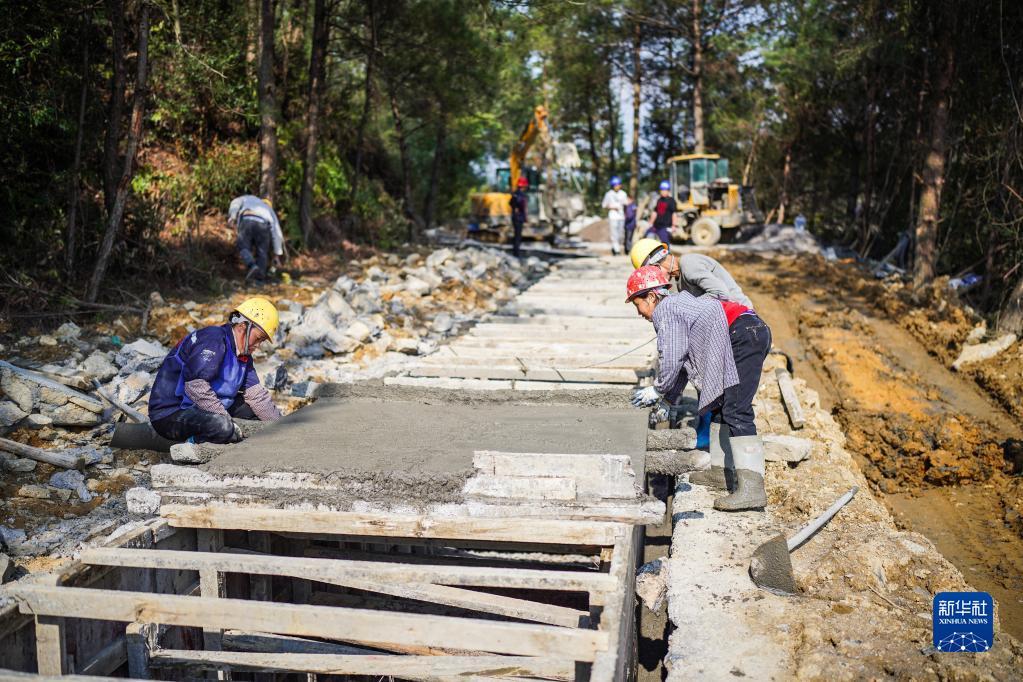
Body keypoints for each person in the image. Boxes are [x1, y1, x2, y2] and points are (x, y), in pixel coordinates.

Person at [625, 266, 773, 511]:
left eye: (637, 304)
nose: (638, 312)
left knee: (737, 409)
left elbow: (671, 358)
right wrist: (670, 400)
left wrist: (658, 389)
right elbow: (682, 363)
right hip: (743, 332)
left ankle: (753, 489)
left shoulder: (667, 311)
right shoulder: (674, 309)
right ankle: (720, 471)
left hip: (744, 333)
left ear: (652, 297)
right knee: (719, 403)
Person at [148, 297, 282, 444]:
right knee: (222, 427)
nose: (258, 345)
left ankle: (223, 434)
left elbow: (257, 396)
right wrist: (226, 421)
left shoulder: (244, 354)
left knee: (254, 414)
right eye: (258, 338)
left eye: (261, 341)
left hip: (204, 409)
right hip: (172, 414)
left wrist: (283, 427)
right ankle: (193, 446)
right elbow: (196, 387)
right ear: (243, 326)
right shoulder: (213, 339)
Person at [629, 238, 753, 308]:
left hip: (743, 319)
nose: (654, 279)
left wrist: (687, 305)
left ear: (656, 265)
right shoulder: (675, 281)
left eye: (651, 274)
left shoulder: (689, 264)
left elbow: (721, 293)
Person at [228, 195, 285, 283]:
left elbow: (235, 202)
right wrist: (277, 254)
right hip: (263, 224)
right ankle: (259, 281)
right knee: (262, 253)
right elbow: (277, 232)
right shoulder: (269, 209)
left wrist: (233, 216)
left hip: (247, 219)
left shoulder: (248, 198)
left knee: (243, 246)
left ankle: (251, 265)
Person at [601, 176, 629, 255]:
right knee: (614, 234)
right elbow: (604, 205)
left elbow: (626, 204)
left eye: (618, 185)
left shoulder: (623, 193)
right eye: (615, 185)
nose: (616, 186)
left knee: (620, 234)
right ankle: (616, 250)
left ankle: (616, 247)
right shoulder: (609, 194)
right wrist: (611, 207)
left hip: (621, 216)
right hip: (613, 216)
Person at [509, 176, 529, 257]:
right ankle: (516, 253)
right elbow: (522, 205)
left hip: (515, 217)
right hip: (518, 217)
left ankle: (515, 252)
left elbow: (510, 203)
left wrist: (515, 208)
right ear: (523, 186)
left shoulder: (515, 194)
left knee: (516, 235)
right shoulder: (521, 195)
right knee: (518, 236)